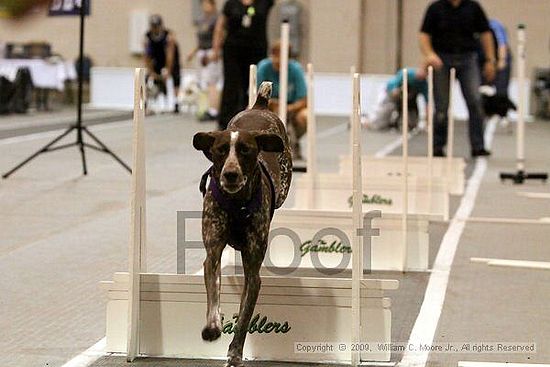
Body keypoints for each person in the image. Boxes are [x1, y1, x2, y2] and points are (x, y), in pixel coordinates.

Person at [419, 0, 496, 157]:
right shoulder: (435, 8)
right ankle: (437, 146)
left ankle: (478, 146)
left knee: (475, 101)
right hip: (442, 58)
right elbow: (424, 34)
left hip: (468, 58)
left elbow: (486, 33)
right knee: (441, 105)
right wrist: (429, 55)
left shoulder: (473, 7)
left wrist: (490, 59)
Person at [212, 0, 274, 130]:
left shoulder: (264, 3)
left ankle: (251, 120)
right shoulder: (231, 4)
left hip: (257, 50)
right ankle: (225, 124)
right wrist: (216, 49)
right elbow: (220, 25)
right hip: (233, 50)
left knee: (253, 86)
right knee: (231, 86)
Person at [257, 41, 307, 159]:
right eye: (276, 58)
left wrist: (288, 108)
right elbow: (256, 95)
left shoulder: (296, 69)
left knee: (305, 116)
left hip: (291, 106)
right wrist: (272, 105)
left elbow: (304, 100)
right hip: (268, 104)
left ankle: (294, 142)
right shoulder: (263, 67)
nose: (278, 63)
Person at [187, 0, 222, 121]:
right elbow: (200, 40)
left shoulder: (217, 19)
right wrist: (193, 52)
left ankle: (214, 110)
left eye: (207, 4)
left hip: (211, 51)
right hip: (201, 52)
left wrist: (215, 53)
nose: (205, 6)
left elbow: (219, 36)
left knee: (211, 81)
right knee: (201, 82)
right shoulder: (202, 20)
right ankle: (204, 107)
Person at [144, 14, 181, 113]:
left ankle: (176, 102)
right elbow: (147, 56)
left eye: (157, 26)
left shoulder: (168, 36)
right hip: (157, 58)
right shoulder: (147, 37)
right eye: (153, 26)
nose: (155, 29)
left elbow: (170, 54)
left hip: (170, 58)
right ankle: (145, 102)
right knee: (147, 77)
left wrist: (168, 70)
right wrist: (151, 71)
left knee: (175, 75)